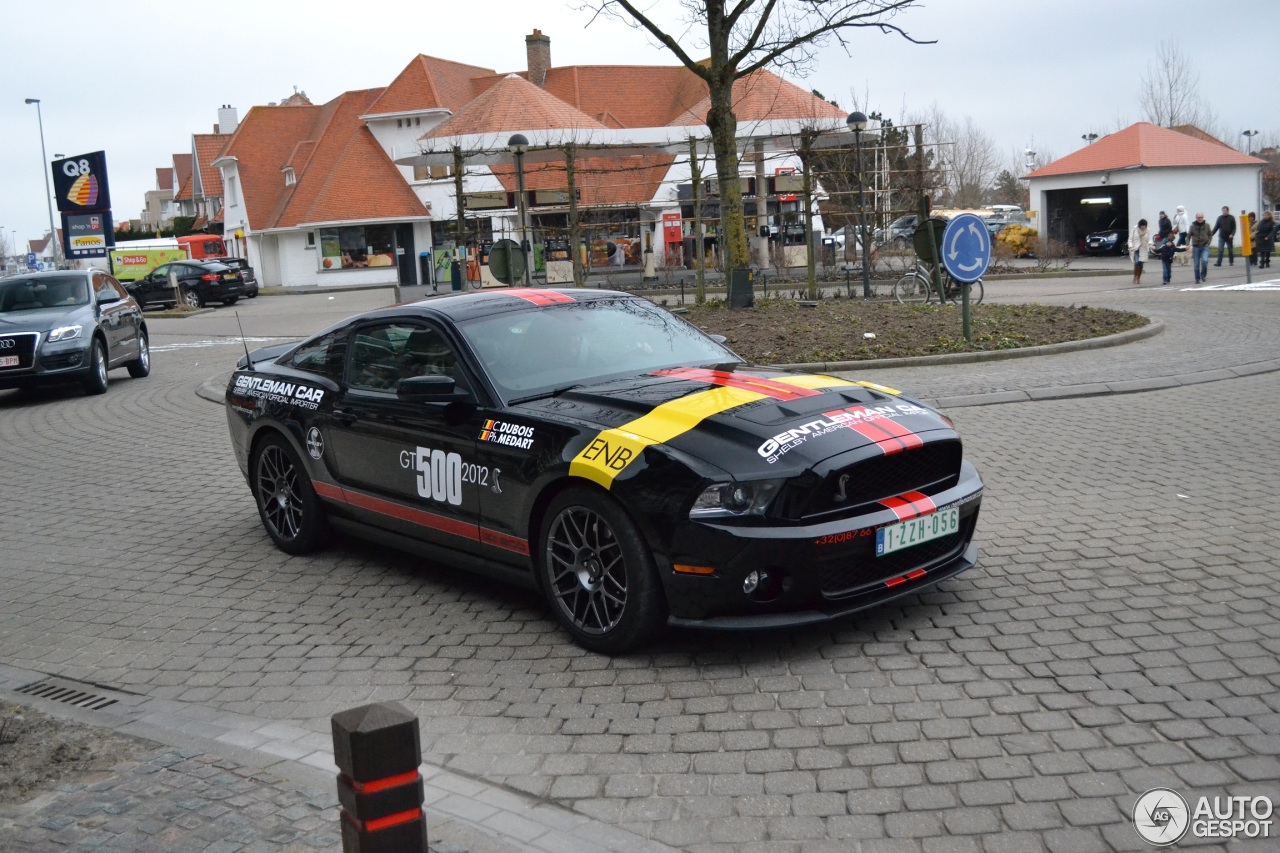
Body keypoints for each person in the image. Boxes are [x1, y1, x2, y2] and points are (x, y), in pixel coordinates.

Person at [1188, 211, 1212, 283]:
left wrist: (1208, 243)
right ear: (1196, 218)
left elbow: (1210, 235)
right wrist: (1187, 244)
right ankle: (1197, 279)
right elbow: (1188, 236)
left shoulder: (1207, 225)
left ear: (1203, 217)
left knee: (1205, 261)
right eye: (1198, 217)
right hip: (1196, 247)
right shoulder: (1192, 226)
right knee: (1196, 265)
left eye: (1201, 217)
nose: (1200, 219)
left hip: (1205, 246)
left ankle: (1203, 276)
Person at [1128, 218, 1152, 284]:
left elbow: (1150, 239)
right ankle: (1135, 276)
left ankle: (1138, 278)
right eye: (1141, 226)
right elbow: (1130, 239)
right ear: (1139, 225)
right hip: (1135, 248)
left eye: (1144, 226)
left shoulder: (1148, 230)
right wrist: (1131, 246)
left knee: (1141, 264)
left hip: (1143, 248)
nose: (1143, 227)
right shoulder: (1134, 229)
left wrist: (1150, 244)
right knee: (1136, 262)